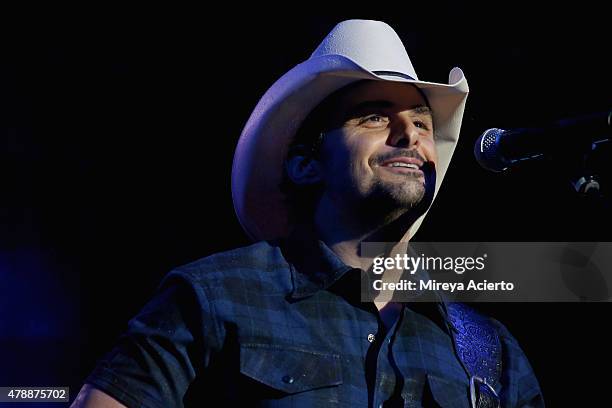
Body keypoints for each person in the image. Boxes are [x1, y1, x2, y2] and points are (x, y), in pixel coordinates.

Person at [72, 20, 544, 407]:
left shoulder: (487, 349)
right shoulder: (214, 297)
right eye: (375, 117)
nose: (410, 134)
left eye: (422, 122)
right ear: (305, 164)